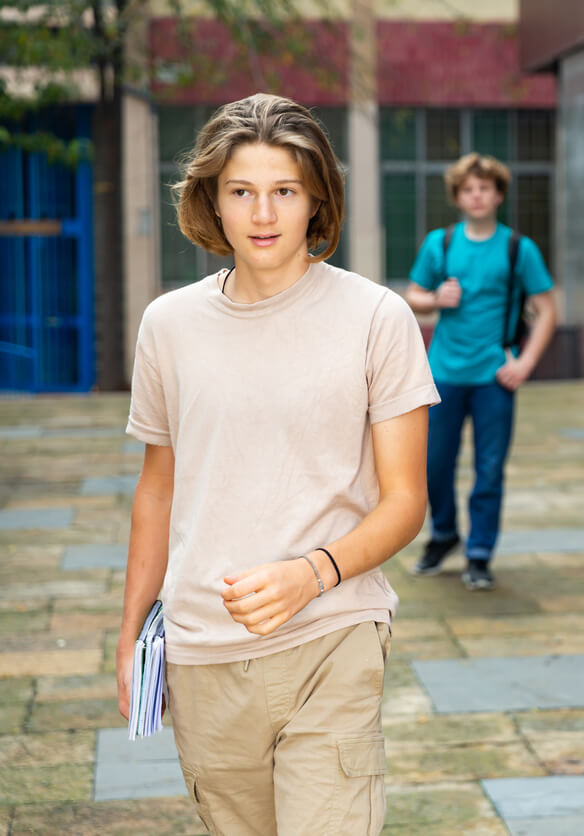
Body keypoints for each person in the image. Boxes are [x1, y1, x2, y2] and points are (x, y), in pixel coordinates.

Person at [116, 93, 437, 835]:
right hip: (202, 653)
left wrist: (312, 574)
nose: (264, 213)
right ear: (213, 202)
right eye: (242, 191)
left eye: (285, 191)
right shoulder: (168, 326)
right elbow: (156, 492)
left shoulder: (376, 319)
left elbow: (405, 501)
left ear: (316, 199)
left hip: (333, 633)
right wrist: (132, 638)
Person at [405, 153, 557, 590]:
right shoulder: (442, 243)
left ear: (498, 195)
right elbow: (412, 293)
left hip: (494, 377)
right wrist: (435, 299)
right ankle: (445, 534)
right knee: (434, 465)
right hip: (443, 374)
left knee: (489, 470)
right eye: (469, 189)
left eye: (485, 188)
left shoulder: (517, 248)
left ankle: (479, 553)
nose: (477, 195)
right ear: (458, 196)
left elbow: (547, 310)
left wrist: (525, 363)